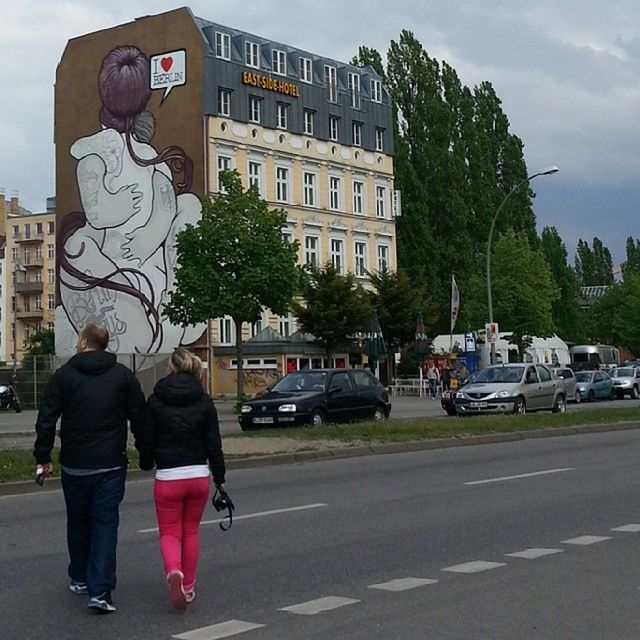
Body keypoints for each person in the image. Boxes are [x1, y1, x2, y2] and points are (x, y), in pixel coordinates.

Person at [33, 323, 150, 614]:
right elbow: (140, 417)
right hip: (110, 464)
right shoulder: (123, 375)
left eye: (77, 338)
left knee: (78, 520)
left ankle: (79, 576)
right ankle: (101, 590)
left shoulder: (64, 376)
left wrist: (42, 456)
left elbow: (46, 417)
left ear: (84, 342)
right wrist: (147, 454)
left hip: (75, 464)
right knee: (105, 524)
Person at [141, 348, 226, 611]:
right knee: (191, 531)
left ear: (171, 368)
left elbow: (147, 437)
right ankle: (188, 587)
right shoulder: (204, 401)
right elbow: (214, 443)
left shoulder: (155, 400)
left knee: (169, 532)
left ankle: (173, 572)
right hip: (198, 475)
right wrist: (219, 477)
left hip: (168, 476)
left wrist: (146, 462)